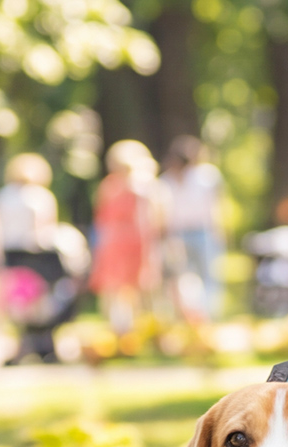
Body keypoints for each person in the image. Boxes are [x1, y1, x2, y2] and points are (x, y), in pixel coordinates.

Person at [0, 152, 90, 363]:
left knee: (20, 304)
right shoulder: (40, 197)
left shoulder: (3, 196)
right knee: (47, 298)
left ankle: (25, 345)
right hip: (38, 260)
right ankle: (43, 342)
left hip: (12, 260)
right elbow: (45, 232)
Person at [88, 139, 161, 339]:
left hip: (123, 241)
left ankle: (131, 330)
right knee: (125, 288)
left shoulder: (127, 186)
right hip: (126, 241)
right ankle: (127, 330)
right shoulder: (136, 186)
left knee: (126, 288)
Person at [160, 135, 225, 322]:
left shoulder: (207, 177)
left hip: (203, 230)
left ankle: (208, 314)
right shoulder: (167, 180)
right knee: (181, 277)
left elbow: (215, 206)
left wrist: (218, 231)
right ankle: (187, 315)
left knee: (208, 274)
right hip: (178, 233)